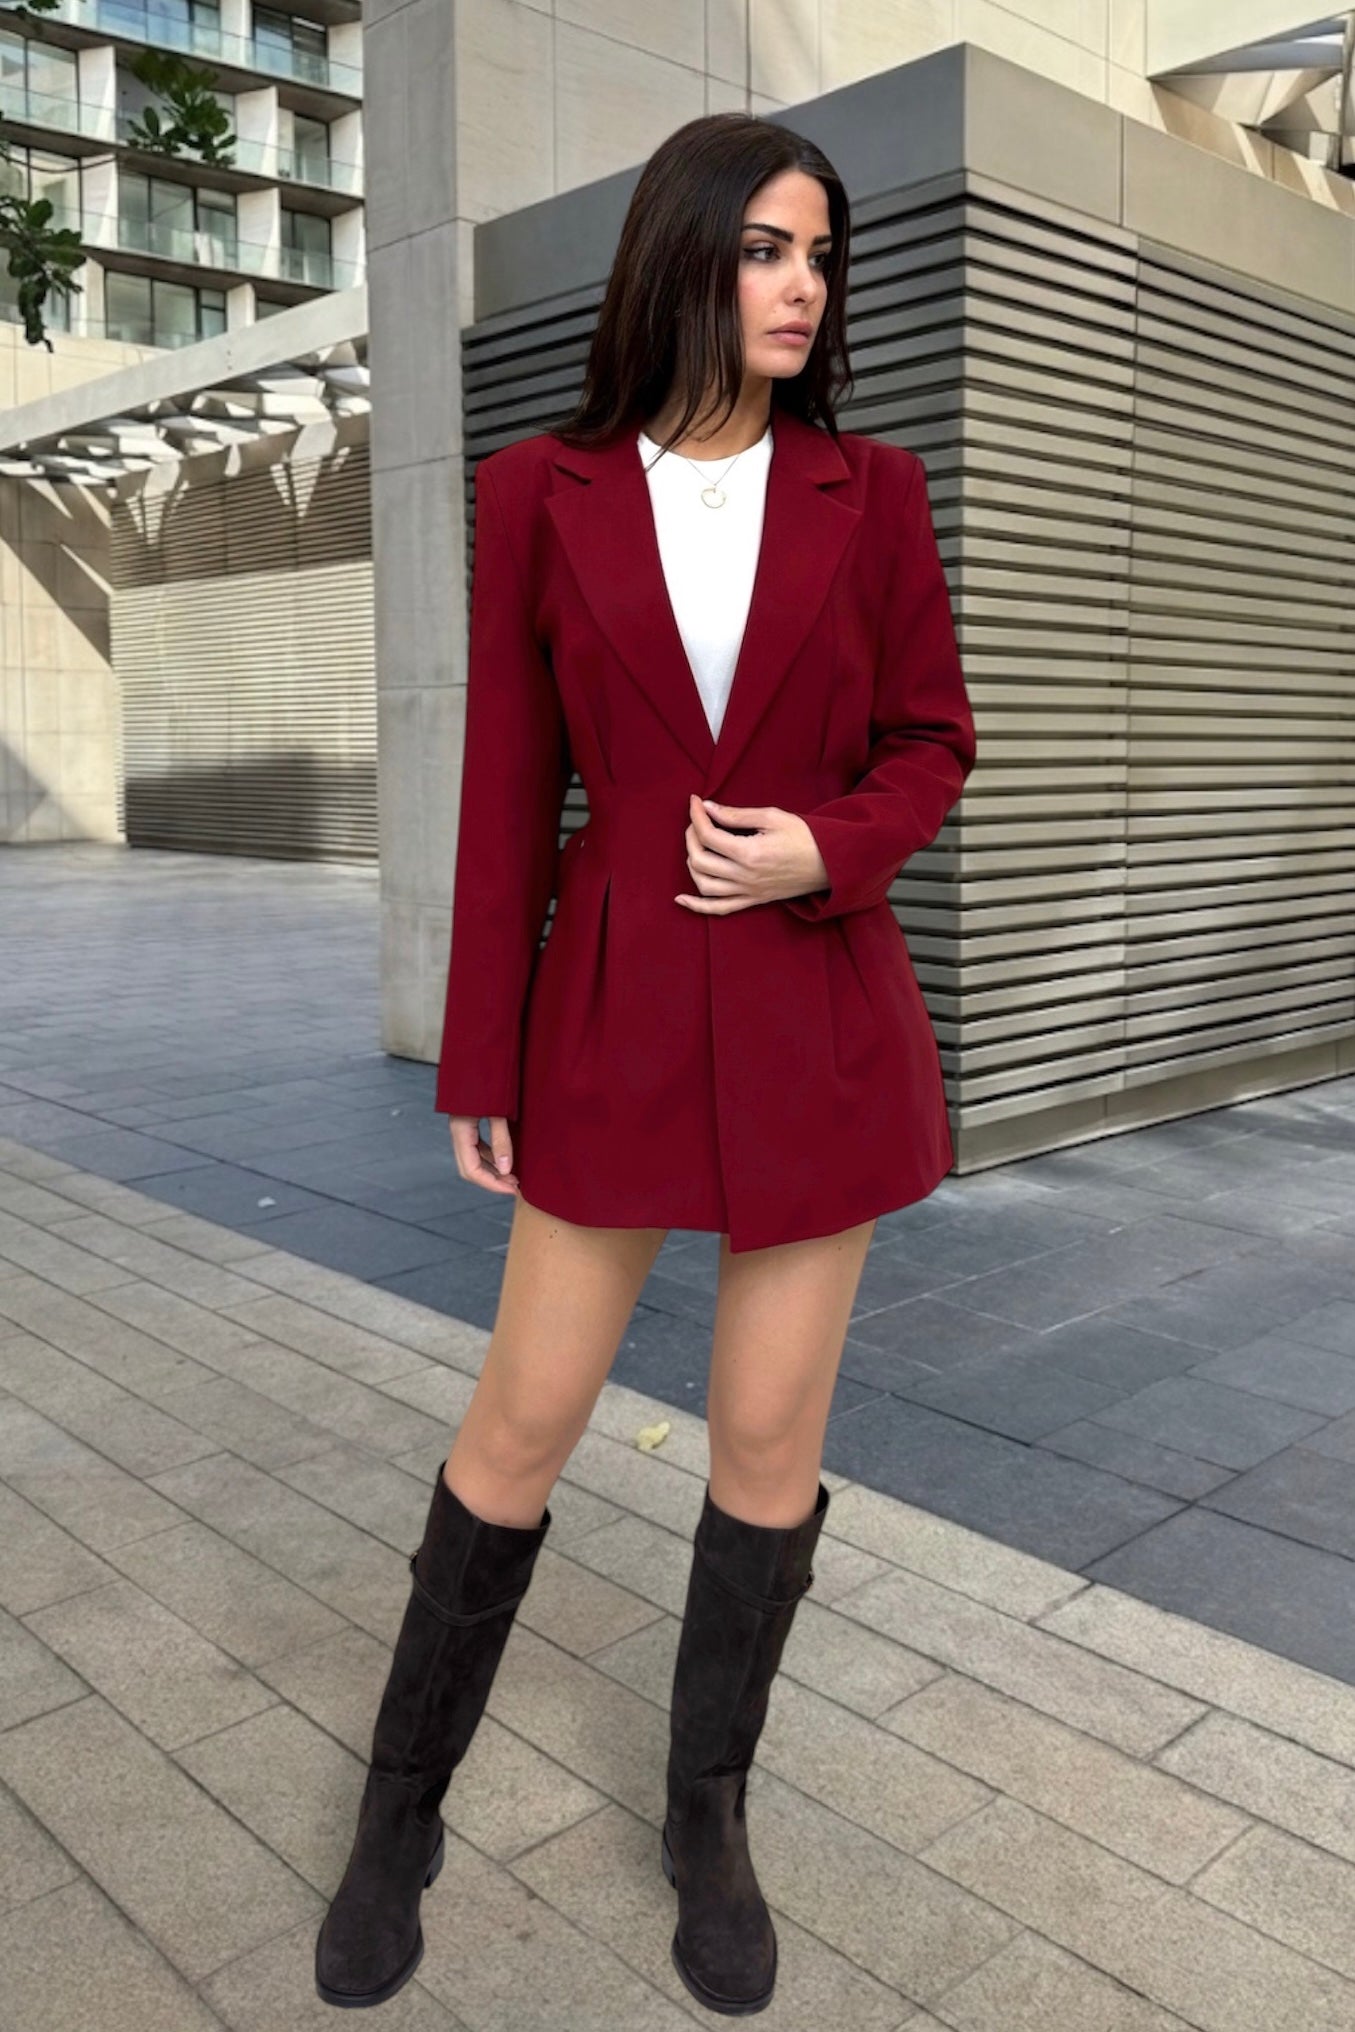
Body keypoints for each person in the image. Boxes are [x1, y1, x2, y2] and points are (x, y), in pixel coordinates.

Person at [316, 110, 976, 2015]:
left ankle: (708, 1817)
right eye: (768, 248)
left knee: (770, 1446)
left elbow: (932, 743)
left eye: (821, 255)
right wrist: (479, 1054)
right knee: (520, 1426)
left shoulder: (877, 493)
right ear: (682, 256)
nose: (804, 286)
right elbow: (510, 785)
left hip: (817, 1016)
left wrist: (821, 848)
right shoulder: (542, 492)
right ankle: (398, 1813)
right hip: (606, 1017)